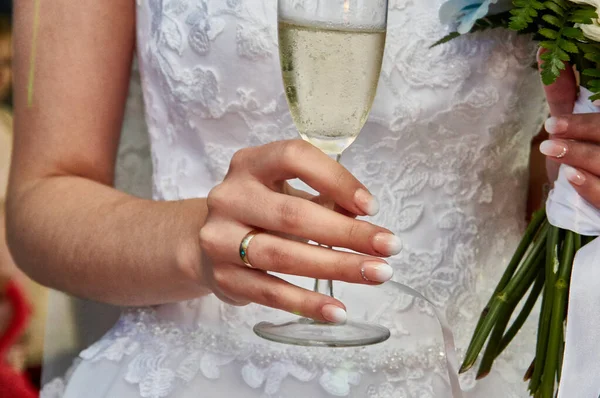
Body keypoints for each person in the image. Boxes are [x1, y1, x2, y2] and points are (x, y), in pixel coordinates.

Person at [6, 1, 600, 397]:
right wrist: (194, 245)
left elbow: (537, 181)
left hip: (481, 369)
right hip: (203, 373)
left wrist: (580, 176)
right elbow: (44, 198)